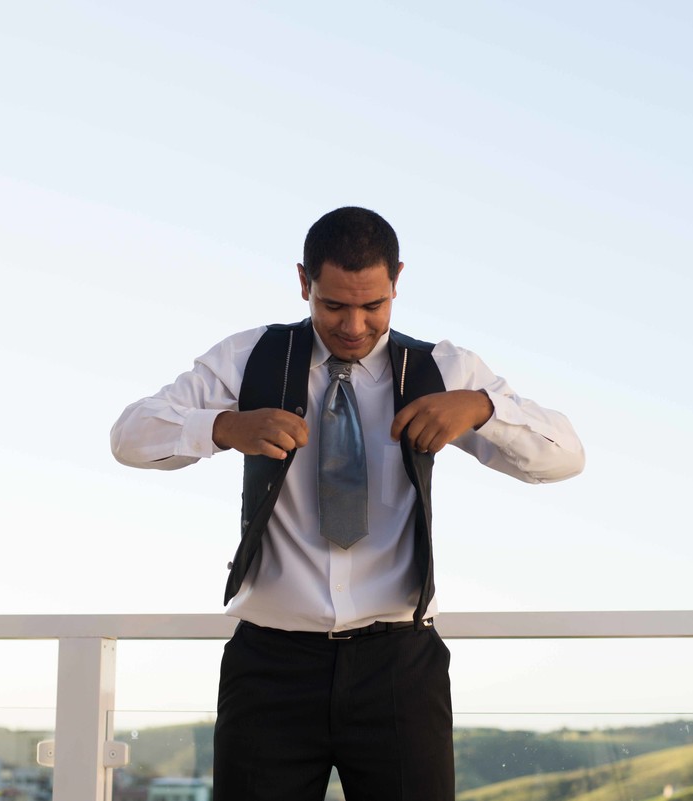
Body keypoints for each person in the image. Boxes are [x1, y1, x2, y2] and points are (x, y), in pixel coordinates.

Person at [110, 206, 584, 800]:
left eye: (374, 306)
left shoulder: (442, 369)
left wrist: (483, 407)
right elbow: (128, 436)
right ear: (304, 282)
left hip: (399, 669)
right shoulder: (249, 357)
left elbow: (566, 456)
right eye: (334, 305)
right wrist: (225, 427)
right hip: (270, 669)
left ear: (397, 283)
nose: (355, 325)